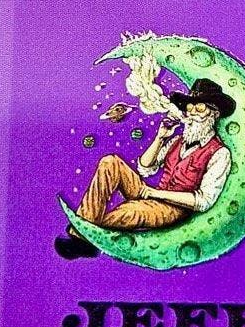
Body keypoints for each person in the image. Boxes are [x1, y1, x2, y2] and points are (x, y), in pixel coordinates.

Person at [55, 78, 235, 260]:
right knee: (110, 162)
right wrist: (160, 137)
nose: (192, 112)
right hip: (152, 195)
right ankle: (84, 234)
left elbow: (203, 201)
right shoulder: (177, 141)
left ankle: (85, 235)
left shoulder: (220, 153)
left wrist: (155, 194)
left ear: (214, 113)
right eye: (190, 106)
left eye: (200, 107)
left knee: (130, 211)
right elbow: (145, 168)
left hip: (174, 209)